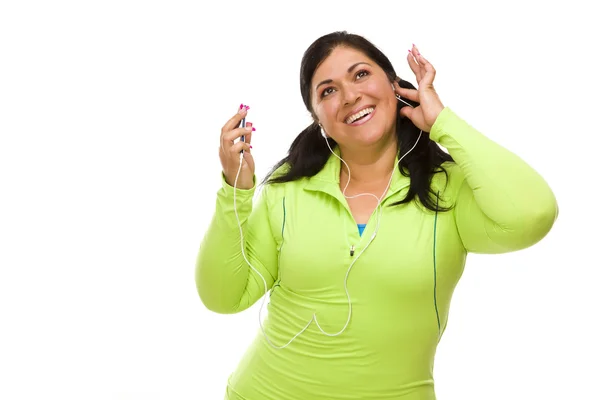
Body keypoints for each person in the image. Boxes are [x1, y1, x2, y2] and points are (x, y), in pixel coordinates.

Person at [195, 31, 558, 400]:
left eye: (361, 74)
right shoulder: (286, 193)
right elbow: (223, 296)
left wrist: (444, 123)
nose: (350, 96)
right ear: (317, 118)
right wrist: (235, 191)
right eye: (328, 91)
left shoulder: (446, 192)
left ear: (395, 84)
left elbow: (533, 214)